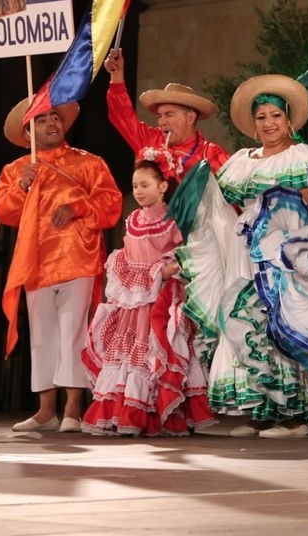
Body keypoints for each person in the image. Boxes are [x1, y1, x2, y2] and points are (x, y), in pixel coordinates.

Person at [169, 75, 308, 438]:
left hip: (285, 253)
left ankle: (296, 415)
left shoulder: (302, 156)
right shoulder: (242, 160)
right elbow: (225, 204)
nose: (268, 123)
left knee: (283, 323)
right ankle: (264, 408)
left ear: (288, 120)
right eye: (261, 117)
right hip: (246, 252)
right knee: (248, 323)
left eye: (275, 115)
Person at [0, 97, 123, 433]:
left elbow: (111, 205)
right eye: (42, 120)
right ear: (28, 131)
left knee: (73, 333)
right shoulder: (16, 170)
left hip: (77, 258)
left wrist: (78, 206)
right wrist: (23, 184)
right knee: (41, 337)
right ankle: (45, 411)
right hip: (35, 262)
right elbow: (3, 212)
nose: (52, 123)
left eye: (55, 117)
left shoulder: (89, 163)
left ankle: (73, 410)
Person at [80, 153, 214, 436]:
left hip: (162, 301)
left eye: (145, 185)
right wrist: (131, 284)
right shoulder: (133, 220)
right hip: (135, 303)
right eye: (136, 185)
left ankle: (163, 411)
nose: (139, 191)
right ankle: (127, 411)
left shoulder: (171, 221)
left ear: (162, 186)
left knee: (160, 353)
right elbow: (127, 257)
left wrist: (164, 270)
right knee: (132, 356)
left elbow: (182, 255)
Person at [103, 48, 229, 178]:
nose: (162, 122)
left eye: (169, 114)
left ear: (190, 117)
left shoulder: (211, 154)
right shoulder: (152, 141)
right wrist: (116, 76)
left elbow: (233, 193)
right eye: (159, 116)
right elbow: (123, 116)